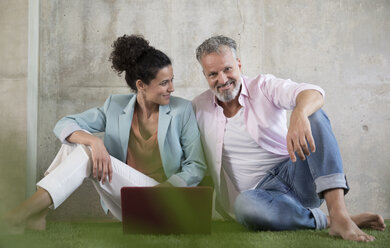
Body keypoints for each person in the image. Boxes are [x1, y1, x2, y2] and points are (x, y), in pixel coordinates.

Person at [2, 34, 206, 232]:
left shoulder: (182, 110)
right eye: (164, 83)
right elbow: (65, 123)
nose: (172, 88)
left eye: (171, 80)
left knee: (85, 152)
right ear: (141, 85)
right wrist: (94, 142)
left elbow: (196, 165)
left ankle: (28, 213)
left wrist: (167, 190)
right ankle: (35, 212)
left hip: (162, 202)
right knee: (76, 145)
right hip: (124, 202)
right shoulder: (115, 106)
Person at [192, 35, 386, 242]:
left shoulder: (264, 86)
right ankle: (331, 221)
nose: (222, 80)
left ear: (239, 64)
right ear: (204, 75)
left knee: (315, 115)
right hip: (260, 198)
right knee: (244, 206)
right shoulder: (198, 107)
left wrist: (299, 113)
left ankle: (340, 213)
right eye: (213, 74)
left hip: (297, 174)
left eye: (227, 69)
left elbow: (313, 93)